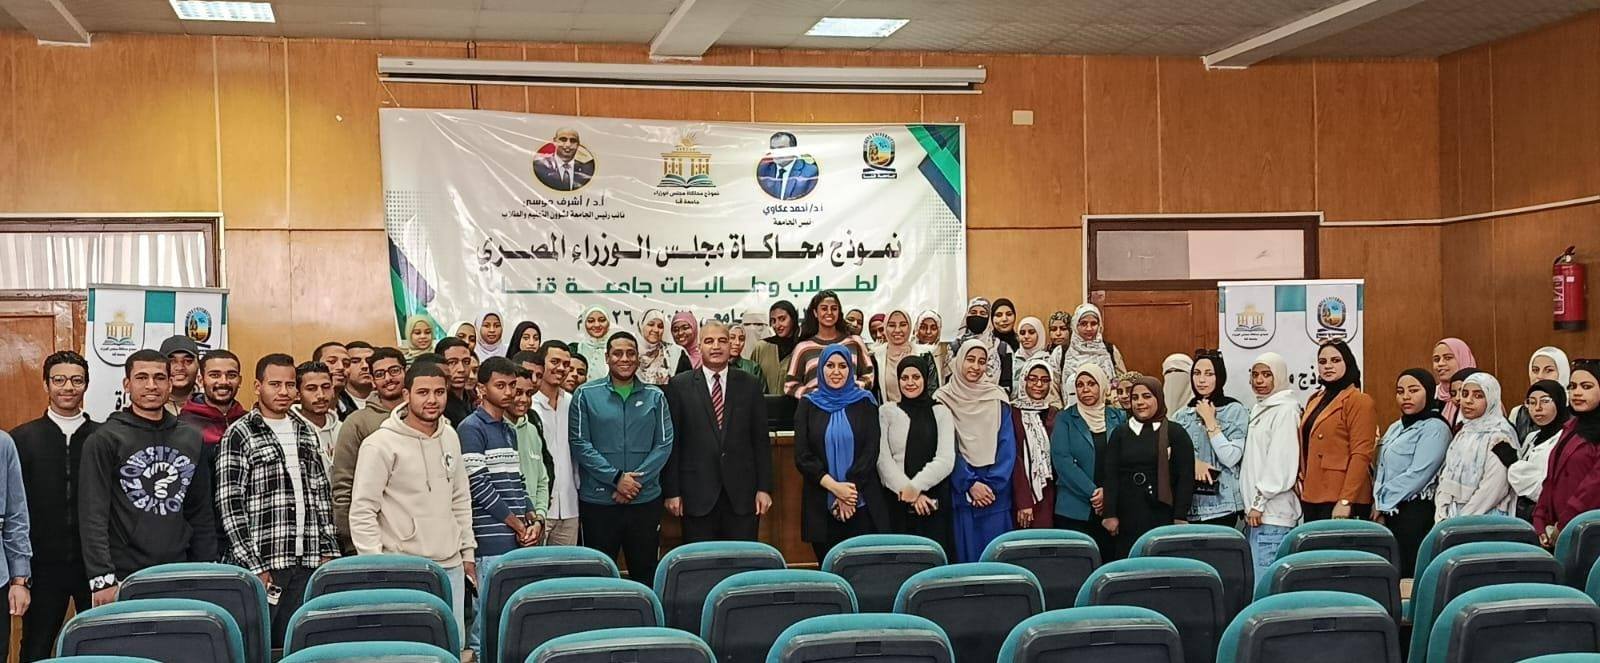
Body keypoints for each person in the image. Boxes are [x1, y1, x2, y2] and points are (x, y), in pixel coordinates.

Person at [215, 354, 340, 648]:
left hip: (309, 559)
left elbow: (321, 494)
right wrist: (253, 564)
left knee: (302, 642)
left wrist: (328, 550)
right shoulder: (239, 433)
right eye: (275, 384)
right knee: (261, 646)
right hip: (267, 560)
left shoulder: (304, 430)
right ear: (258, 386)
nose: (284, 391)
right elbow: (230, 504)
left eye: (290, 385)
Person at [80, 349, 217, 608]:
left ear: (170, 384)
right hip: (124, 576)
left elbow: (200, 512)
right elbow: (92, 514)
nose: (151, 385)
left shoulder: (191, 437)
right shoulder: (104, 439)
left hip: (180, 570)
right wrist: (101, 578)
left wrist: (206, 568)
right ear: (127, 384)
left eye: (159, 378)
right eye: (142, 377)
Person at [349, 361, 475, 640]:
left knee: (451, 644)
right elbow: (362, 509)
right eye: (423, 392)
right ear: (406, 395)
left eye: (439, 392)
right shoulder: (380, 444)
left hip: (452, 566)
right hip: (402, 567)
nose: (432, 400)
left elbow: (460, 498)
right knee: (409, 646)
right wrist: (376, 565)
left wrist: (467, 553)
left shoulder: (450, 435)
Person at [569, 332, 674, 583]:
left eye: (630, 353)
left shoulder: (655, 396)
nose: (624, 359)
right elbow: (580, 444)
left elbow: (664, 444)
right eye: (617, 353)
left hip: (644, 500)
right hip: (599, 502)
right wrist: (616, 479)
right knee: (599, 575)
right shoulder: (585, 394)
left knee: (645, 574)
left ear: (638, 358)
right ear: (607, 357)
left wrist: (633, 483)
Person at [14, 351, 94, 661]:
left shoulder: (103, 437)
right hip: (41, 565)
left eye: (76, 380)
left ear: (86, 384)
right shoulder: (22, 439)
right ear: (46, 384)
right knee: (35, 647)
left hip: (94, 566)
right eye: (59, 380)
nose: (68, 387)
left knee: (100, 643)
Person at [458, 357, 537, 659]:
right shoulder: (471, 428)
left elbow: (516, 481)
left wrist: (532, 517)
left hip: (516, 538)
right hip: (489, 542)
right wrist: (517, 524)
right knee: (485, 623)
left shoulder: (509, 429)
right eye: (500, 385)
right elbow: (478, 486)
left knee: (513, 618)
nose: (509, 392)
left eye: (512, 386)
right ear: (481, 388)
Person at [664, 321, 772, 542]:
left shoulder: (750, 384)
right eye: (709, 341)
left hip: (742, 496)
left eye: (722, 340)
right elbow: (673, 444)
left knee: (742, 559)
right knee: (700, 560)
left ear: (731, 344)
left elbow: (761, 441)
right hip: (696, 496)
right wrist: (672, 492)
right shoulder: (679, 386)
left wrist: (764, 488)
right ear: (699, 346)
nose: (716, 346)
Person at [795, 346, 885, 561]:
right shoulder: (807, 404)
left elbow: (871, 450)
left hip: (861, 503)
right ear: (821, 369)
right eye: (830, 365)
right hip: (821, 504)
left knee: (861, 569)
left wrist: (848, 495)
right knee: (829, 569)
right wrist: (836, 488)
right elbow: (802, 456)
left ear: (851, 370)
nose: (836, 371)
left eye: (843, 366)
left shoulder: (866, 401)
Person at [936, 340, 1018, 562]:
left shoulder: (997, 397)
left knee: (997, 562)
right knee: (967, 562)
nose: (976, 367)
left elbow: (1007, 446)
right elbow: (946, 447)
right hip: (962, 492)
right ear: (959, 361)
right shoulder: (942, 399)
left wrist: (992, 485)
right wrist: (969, 484)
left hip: (995, 494)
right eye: (970, 360)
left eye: (982, 362)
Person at [1102, 376, 1195, 561]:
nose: (1140, 402)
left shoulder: (1175, 432)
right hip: (1127, 513)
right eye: (1135, 397)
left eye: (1146, 396)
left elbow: (1185, 477)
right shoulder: (1120, 433)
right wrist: (1109, 514)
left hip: (1162, 513)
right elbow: (1110, 475)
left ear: (1158, 398)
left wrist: (1180, 516)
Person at [1371, 369, 1452, 577]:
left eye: (1414, 390)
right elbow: (1381, 466)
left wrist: (1383, 501)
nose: (1406, 397)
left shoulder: (1436, 428)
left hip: (1415, 513)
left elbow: (1419, 474)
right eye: (1400, 391)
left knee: (1410, 573)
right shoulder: (1396, 426)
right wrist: (1378, 502)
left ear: (1428, 392)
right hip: (1388, 511)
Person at [330, 347, 409, 554]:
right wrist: (352, 541)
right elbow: (343, 485)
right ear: (373, 381)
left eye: (394, 371)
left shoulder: (425, 418)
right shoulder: (357, 422)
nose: (388, 379)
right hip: (373, 544)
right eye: (380, 374)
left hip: (422, 541)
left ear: (406, 372)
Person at [877, 356, 957, 558]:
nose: (910, 382)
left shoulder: (941, 412)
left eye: (916, 377)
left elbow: (946, 459)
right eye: (904, 378)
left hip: (933, 501)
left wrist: (915, 488)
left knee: (933, 559)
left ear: (925, 379)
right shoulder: (886, 412)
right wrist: (908, 492)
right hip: (896, 500)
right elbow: (883, 460)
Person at [1051, 363, 1124, 560]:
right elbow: (1062, 461)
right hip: (1074, 509)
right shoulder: (1065, 418)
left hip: (1112, 509)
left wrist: (1108, 493)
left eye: (1091, 384)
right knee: (1077, 566)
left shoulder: (1118, 417)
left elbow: (1125, 459)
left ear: (1102, 385)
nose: (1085, 389)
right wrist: (1094, 493)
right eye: (1080, 385)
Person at [1299, 340, 1377, 521]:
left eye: (1335, 360)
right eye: (1322, 361)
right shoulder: (1315, 399)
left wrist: (1345, 500)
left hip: (1343, 498)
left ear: (1347, 362)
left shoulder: (1359, 400)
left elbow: (1361, 454)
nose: (1328, 366)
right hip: (1313, 495)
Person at [1241, 353, 1303, 577]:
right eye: (1255, 374)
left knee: (1266, 585)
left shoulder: (1286, 410)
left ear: (1279, 376)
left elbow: (1281, 460)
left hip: (1272, 514)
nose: (1259, 380)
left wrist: (1259, 502)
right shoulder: (1261, 408)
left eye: (1267, 374)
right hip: (1258, 516)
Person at [1171, 350, 1247, 528]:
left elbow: (1231, 458)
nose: (1201, 380)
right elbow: (1168, 454)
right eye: (1197, 373)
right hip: (1189, 506)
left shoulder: (1234, 410)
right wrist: (1192, 462)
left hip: (1222, 506)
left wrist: (1210, 421)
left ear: (1219, 376)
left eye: (1209, 374)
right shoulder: (1182, 415)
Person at [1533, 362, 1600, 546]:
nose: (1577, 393)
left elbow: (1593, 488)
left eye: (1586, 387)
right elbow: (1551, 478)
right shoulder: (1571, 427)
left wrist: (1563, 525)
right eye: (1572, 386)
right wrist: (1540, 520)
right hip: (1557, 530)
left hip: (1588, 532)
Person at [1435, 372, 1516, 520]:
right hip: (1451, 517)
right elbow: (1446, 475)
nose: (1468, 401)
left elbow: (1493, 489)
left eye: (1478, 396)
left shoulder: (1500, 435)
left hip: (1484, 519)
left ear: (1491, 399)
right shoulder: (1463, 432)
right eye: (1465, 394)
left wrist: (1462, 521)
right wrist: (1441, 514)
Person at [530, 342, 581, 545]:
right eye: (555, 362)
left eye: (566, 364)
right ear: (542, 364)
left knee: (566, 564)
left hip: (570, 506)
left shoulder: (573, 402)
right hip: (538, 509)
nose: (561, 368)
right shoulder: (528, 403)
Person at [785, 291, 874, 398]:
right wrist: (817, 394)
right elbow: (790, 386)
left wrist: (852, 389)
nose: (829, 312)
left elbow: (869, 375)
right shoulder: (803, 348)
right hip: (816, 406)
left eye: (834, 309)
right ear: (815, 313)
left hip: (851, 404)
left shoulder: (854, 342)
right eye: (824, 308)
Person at [1011, 358, 1059, 530]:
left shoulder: (1055, 414)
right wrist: (1023, 500)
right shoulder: (1012, 413)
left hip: (1049, 492)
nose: (1039, 385)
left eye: (1045, 380)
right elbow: (1014, 457)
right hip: (1020, 494)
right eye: (1032, 379)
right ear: (1023, 380)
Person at [505, 362, 551, 542]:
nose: (524, 399)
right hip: (505, 529)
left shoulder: (532, 429)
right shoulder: (492, 429)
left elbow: (542, 481)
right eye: (518, 392)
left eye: (529, 394)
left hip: (534, 527)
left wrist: (539, 518)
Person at [1052, 304, 1125, 405]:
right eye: (1083, 323)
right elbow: (1052, 387)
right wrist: (1059, 411)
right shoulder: (1061, 353)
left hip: (1105, 411)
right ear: (1075, 325)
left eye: (1093, 323)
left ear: (1099, 325)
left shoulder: (1110, 350)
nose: (1089, 328)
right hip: (1071, 412)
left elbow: (1123, 382)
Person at [874, 309, 939, 403]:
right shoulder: (877, 356)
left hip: (920, 411)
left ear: (909, 327)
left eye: (903, 325)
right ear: (885, 327)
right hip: (888, 411)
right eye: (892, 325)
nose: (897, 330)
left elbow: (932, 391)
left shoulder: (924, 355)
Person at [1510, 346, 1571, 442]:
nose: (1540, 376)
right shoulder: (1518, 413)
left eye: (1549, 370)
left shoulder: (1575, 411)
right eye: (1535, 370)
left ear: (1562, 373)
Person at [290, 361, 341, 468]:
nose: (321, 395)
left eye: (326, 387)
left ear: (332, 390)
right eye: (311, 389)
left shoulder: (342, 429)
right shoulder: (290, 431)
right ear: (297, 394)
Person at [953, 298, 1008, 389]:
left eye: (983, 313)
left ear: (989, 318)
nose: (977, 316)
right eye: (973, 313)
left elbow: (1007, 386)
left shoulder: (1000, 347)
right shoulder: (955, 346)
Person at [750, 301, 800, 396]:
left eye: (782, 319)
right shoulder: (762, 347)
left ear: (793, 319)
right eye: (773, 321)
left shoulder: (803, 348)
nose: (777, 325)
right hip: (763, 404)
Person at [756, 131, 819, 200]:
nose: (776, 153)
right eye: (773, 149)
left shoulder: (810, 172)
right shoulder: (763, 170)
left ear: (794, 150)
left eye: (781, 148)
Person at [1431, 338, 1478, 429]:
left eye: (1448, 358)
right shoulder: (1432, 394)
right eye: (1436, 359)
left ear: (1463, 358)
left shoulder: (1482, 394)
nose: (1440, 363)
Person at [637, 309, 692, 386]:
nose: (656, 330)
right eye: (651, 324)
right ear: (641, 326)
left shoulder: (676, 353)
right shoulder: (630, 352)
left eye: (660, 326)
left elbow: (687, 385)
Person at [534, 127, 594, 191]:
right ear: (555, 141)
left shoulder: (587, 170)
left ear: (578, 144)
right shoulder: (539, 166)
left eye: (573, 140)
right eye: (563, 139)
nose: (568, 144)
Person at [436, 337, 475, 427]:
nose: (461, 369)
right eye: (452, 362)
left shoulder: (474, 399)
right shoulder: (437, 404)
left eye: (466, 362)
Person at [1011, 317, 1053, 401]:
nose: (1026, 336)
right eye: (1022, 333)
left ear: (1039, 334)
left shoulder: (1048, 360)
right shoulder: (1013, 359)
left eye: (1031, 332)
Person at [159, 335, 201, 416]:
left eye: (188, 361)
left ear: (198, 364)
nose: (180, 367)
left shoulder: (211, 404)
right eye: (171, 361)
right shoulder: (145, 406)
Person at [313, 342, 357, 419]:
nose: (341, 367)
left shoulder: (353, 413)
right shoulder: (299, 411)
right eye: (332, 362)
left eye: (346, 363)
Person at [574, 306, 614, 374]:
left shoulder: (614, 348)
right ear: (584, 324)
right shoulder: (577, 349)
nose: (597, 325)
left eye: (602, 320)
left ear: (608, 323)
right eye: (590, 321)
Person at [915, 310, 952, 382]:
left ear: (939, 331)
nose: (928, 332)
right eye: (923, 327)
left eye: (933, 328)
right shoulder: (909, 350)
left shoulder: (945, 352)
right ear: (917, 329)